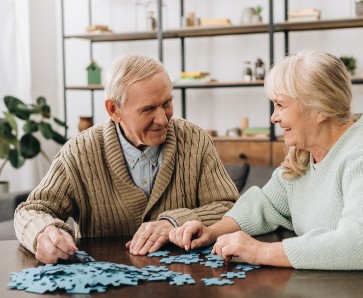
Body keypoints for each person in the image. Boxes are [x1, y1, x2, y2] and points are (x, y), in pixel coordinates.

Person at [169, 51, 363, 297]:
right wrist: (212, 231)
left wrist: (261, 251)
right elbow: (266, 204)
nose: (273, 117)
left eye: (280, 105)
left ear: (318, 108)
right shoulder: (306, 154)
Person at [14, 54, 239, 264]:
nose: (162, 119)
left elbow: (231, 208)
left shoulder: (195, 140)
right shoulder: (79, 152)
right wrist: (43, 232)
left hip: (187, 284)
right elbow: (32, 211)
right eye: (148, 109)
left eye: (167, 103)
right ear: (114, 109)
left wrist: (173, 222)